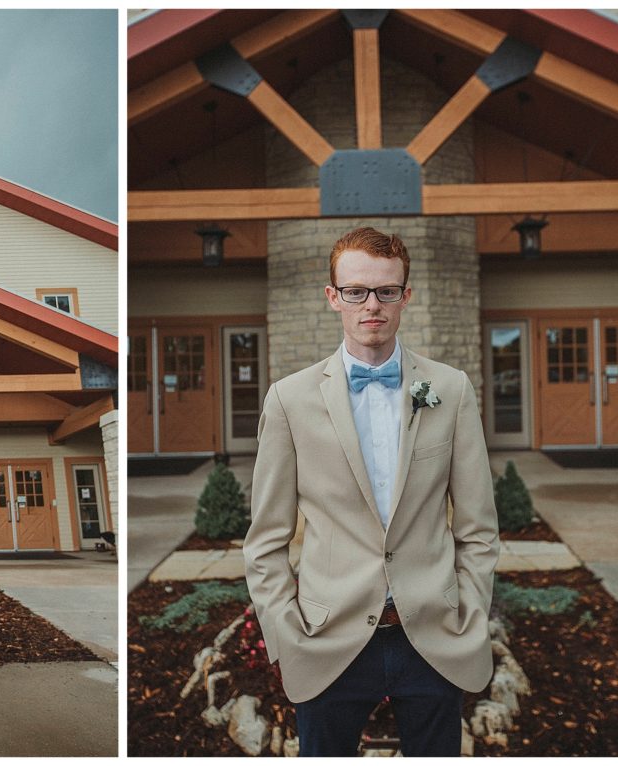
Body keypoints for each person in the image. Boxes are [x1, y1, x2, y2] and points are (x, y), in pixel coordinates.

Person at [243, 227, 499, 756]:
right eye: (356, 291)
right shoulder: (289, 401)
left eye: (386, 291)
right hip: (328, 640)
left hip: (431, 636)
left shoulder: (449, 390)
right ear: (333, 297)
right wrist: (286, 634)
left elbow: (478, 527)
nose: (372, 305)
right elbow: (265, 540)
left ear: (406, 295)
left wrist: (469, 614)